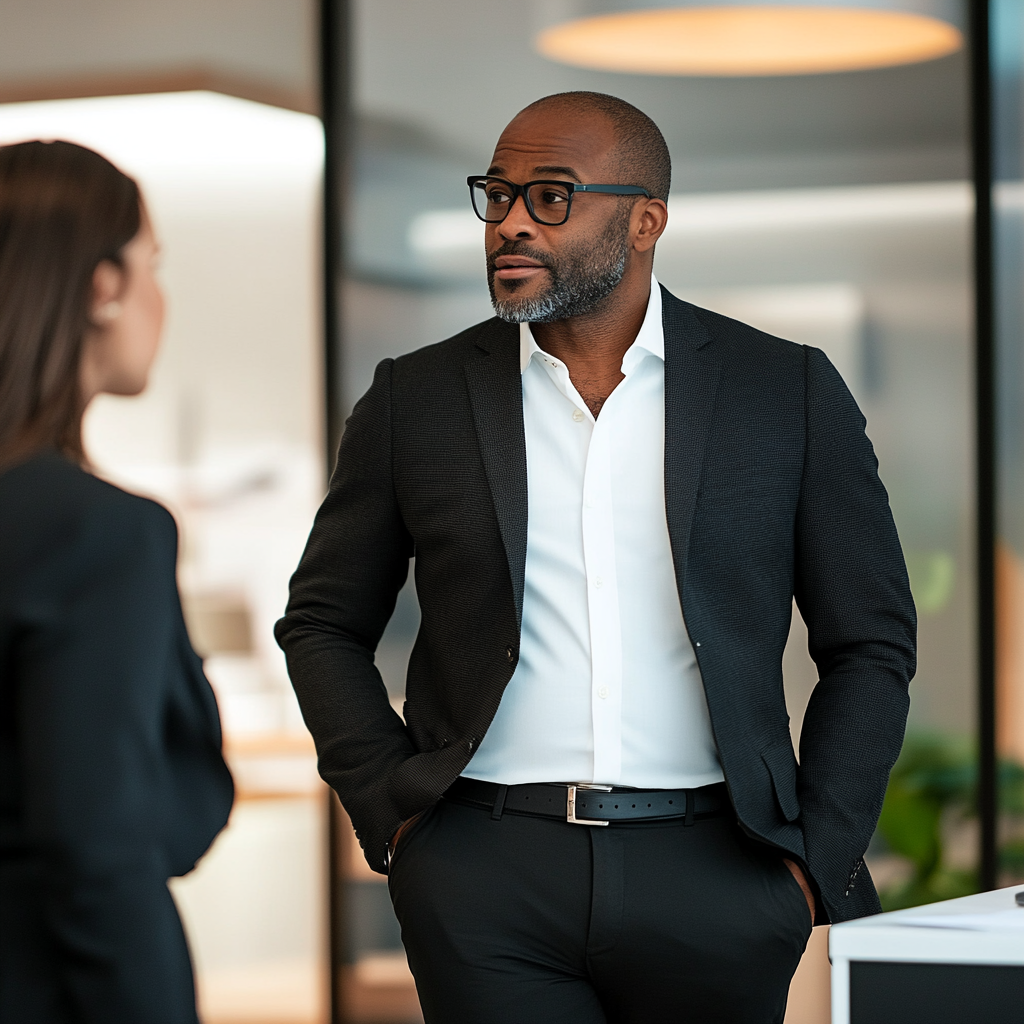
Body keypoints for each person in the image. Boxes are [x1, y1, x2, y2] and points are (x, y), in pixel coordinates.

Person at [277, 92, 916, 1023]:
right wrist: (393, 813)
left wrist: (813, 858)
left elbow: (871, 641)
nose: (510, 224)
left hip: (721, 873)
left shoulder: (786, 392)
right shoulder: (415, 400)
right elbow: (323, 622)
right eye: (496, 196)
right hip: (485, 872)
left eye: (549, 197)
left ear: (646, 220)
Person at [0, 140, 233, 1024]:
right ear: (102, 288)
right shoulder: (95, 532)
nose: (157, 299)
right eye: (151, 266)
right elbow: (94, 852)